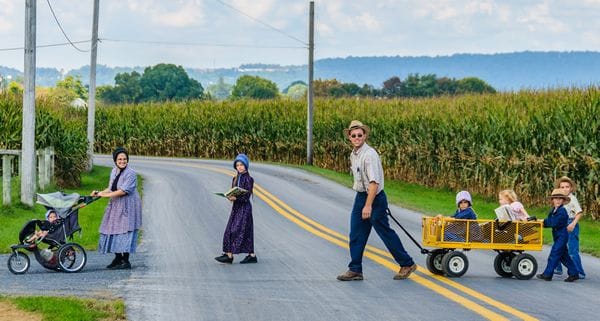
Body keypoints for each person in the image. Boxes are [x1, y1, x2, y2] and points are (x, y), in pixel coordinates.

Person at [337, 120, 416, 281]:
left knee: (384, 232)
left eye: (360, 135)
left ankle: (407, 263)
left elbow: (374, 182)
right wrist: (363, 202)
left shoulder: (369, 155)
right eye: (354, 135)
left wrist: (368, 205)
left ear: (365, 135)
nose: (357, 137)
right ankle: (355, 269)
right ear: (349, 138)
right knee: (356, 233)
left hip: (374, 198)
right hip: (361, 196)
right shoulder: (354, 154)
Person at [92, 147, 142, 270]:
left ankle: (125, 260)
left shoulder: (131, 174)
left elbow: (122, 191)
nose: (122, 161)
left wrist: (106, 195)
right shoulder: (114, 171)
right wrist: (99, 193)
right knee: (112, 228)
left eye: (125, 159)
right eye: (120, 159)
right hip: (116, 203)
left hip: (128, 205)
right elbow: (111, 188)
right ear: (115, 160)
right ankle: (117, 257)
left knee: (125, 230)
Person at [215, 154, 257, 264]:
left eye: (242, 165)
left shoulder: (249, 179)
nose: (239, 167)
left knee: (235, 230)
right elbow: (233, 192)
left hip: (244, 208)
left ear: (246, 166)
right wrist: (229, 197)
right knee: (233, 230)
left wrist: (236, 198)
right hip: (236, 208)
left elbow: (246, 196)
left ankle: (231, 255)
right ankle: (250, 255)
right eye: (237, 165)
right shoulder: (235, 178)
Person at [536, 189, 579, 282]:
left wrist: (543, 222)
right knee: (564, 256)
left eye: (560, 198)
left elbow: (554, 222)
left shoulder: (562, 211)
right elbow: (549, 219)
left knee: (554, 254)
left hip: (562, 236)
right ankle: (574, 273)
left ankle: (547, 274)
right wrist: (540, 221)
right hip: (557, 236)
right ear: (552, 200)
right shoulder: (554, 210)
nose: (558, 200)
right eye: (556, 198)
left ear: (563, 200)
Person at [553, 176, 586, 279]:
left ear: (571, 188)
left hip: (571, 223)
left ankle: (579, 272)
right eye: (562, 187)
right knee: (558, 247)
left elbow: (579, 213)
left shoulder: (572, 199)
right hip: (561, 224)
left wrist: (573, 224)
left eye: (567, 187)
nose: (565, 189)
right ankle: (557, 268)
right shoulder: (560, 199)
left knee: (572, 250)